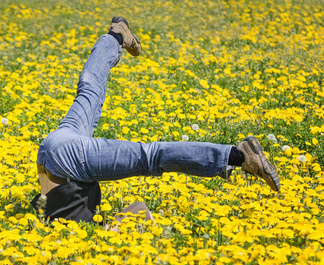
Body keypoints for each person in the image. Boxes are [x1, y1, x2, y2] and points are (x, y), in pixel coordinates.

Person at [31, 17, 281, 224]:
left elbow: (138, 208)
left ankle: (239, 157)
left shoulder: (76, 235)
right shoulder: (46, 220)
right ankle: (116, 34)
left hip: (69, 161)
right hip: (54, 146)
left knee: (151, 157)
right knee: (90, 89)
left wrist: (128, 225)